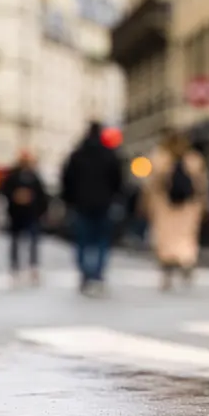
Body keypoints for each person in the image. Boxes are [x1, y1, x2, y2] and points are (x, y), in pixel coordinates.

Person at [61, 122, 124, 295]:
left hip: (81, 204)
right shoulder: (109, 155)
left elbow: (66, 180)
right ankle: (97, 274)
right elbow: (118, 180)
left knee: (82, 241)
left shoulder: (77, 155)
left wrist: (69, 201)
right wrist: (115, 198)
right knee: (102, 240)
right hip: (104, 204)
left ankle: (86, 274)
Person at [142, 128, 208, 291]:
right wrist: (204, 204)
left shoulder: (159, 157)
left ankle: (167, 271)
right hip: (188, 207)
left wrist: (146, 204)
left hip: (164, 205)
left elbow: (151, 185)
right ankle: (186, 261)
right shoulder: (194, 159)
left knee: (165, 238)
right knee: (187, 236)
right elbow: (201, 185)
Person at [0, 149, 48, 288]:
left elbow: (42, 196)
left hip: (31, 214)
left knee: (33, 242)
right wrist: (15, 197)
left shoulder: (34, 177)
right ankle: (15, 268)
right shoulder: (12, 176)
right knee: (16, 243)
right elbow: (4, 191)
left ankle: (33, 267)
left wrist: (39, 210)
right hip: (17, 215)